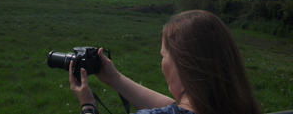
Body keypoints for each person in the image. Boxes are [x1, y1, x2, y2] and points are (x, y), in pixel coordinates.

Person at [68, 10, 261, 114]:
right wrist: (116, 79)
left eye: (163, 55)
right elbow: (180, 108)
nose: (162, 62)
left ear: (182, 63)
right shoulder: (241, 107)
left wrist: (88, 106)